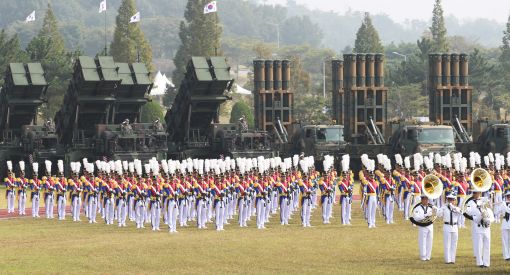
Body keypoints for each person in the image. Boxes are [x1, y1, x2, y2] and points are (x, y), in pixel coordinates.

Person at [465, 190, 494, 268]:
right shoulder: (470, 202)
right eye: (474, 192)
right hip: (478, 226)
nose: (475, 194)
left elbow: (491, 214)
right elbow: (468, 212)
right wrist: (478, 215)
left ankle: (486, 263)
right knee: (479, 246)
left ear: (480, 193)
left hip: (487, 228)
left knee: (487, 245)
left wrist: (488, 220)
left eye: (476, 192)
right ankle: (480, 263)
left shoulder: (485, 202)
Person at [437, 191, 462, 264]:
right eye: (450, 199)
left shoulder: (456, 208)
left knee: (454, 244)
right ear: (447, 200)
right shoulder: (444, 207)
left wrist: (453, 208)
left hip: (454, 226)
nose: (451, 201)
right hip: (447, 226)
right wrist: (440, 209)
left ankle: (452, 259)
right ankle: (447, 260)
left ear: (455, 200)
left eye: (453, 199)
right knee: (447, 244)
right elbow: (439, 215)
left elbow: (461, 212)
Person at [411, 194, 436, 261]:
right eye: (424, 199)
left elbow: (435, 215)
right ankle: (423, 256)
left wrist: (435, 211)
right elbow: (416, 218)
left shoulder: (431, 207)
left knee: (430, 241)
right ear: (421, 200)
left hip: (430, 225)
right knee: (422, 241)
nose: (426, 201)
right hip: (422, 226)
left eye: (427, 199)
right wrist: (425, 215)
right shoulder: (417, 208)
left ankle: (428, 256)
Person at [496, 189, 510, 260]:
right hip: (505, 224)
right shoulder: (504, 204)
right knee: (505, 241)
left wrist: (504, 206)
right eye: (508, 196)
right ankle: (506, 256)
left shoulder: (504, 205)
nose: (509, 197)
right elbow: (497, 212)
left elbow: (508, 211)